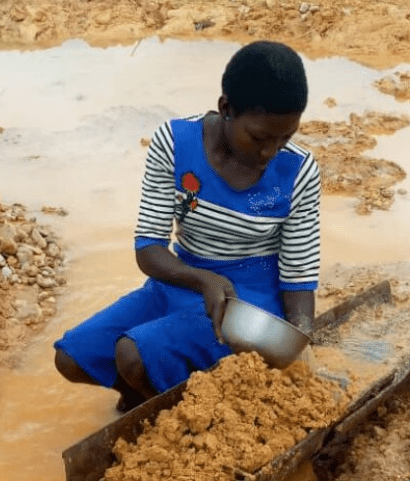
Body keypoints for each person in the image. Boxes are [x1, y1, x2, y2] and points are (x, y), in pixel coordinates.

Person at [54, 40, 321, 412]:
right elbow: (149, 249)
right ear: (226, 109)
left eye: (285, 137)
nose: (270, 152)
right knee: (74, 356)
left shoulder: (299, 171)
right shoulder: (175, 144)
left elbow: (298, 273)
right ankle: (147, 397)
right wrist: (202, 280)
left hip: (247, 303)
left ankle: (177, 410)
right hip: (181, 280)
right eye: (259, 137)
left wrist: (298, 340)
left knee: (132, 354)